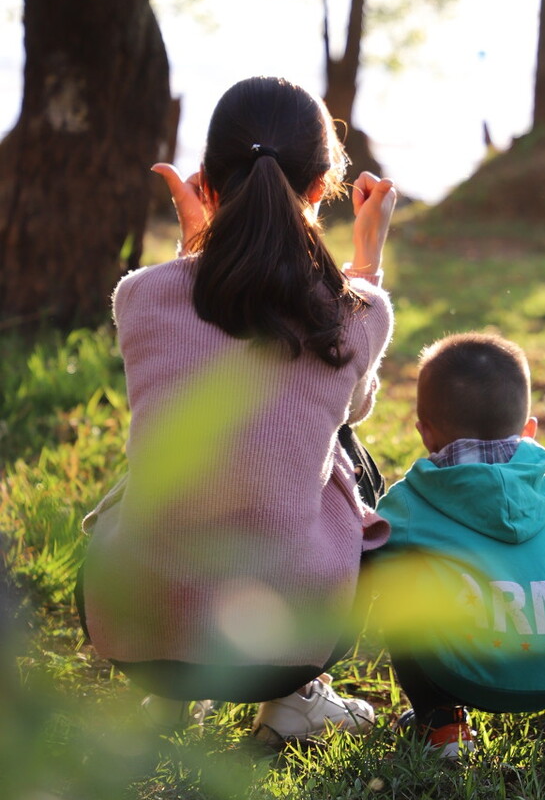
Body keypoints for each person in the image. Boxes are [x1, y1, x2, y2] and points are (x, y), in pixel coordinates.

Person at [77, 76, 396, 744]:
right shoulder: (353, 310)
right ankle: (298, 697)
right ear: (320, 190)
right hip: (286, 647)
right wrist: (367, 262)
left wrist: (193, 250)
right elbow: (351, 406)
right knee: (351, 457)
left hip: (139, 638)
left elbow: (183, 349)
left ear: (207, 184)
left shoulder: (141, 297)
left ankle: (170, 698)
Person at [372, 332, 545, 758]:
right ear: (529, 429)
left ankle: (441, 725)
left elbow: (376, 563)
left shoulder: (411, 500)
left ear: (426, 433)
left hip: (467, 675)